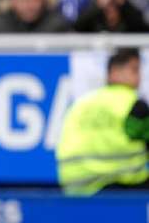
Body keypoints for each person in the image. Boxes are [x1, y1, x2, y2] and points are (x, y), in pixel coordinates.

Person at [57, 47, 149, 194]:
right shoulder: (134, 105)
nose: (140, 77)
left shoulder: (81, 104)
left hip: (74, 187)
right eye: (135, 70)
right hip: (117, 184)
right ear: (113, 72)